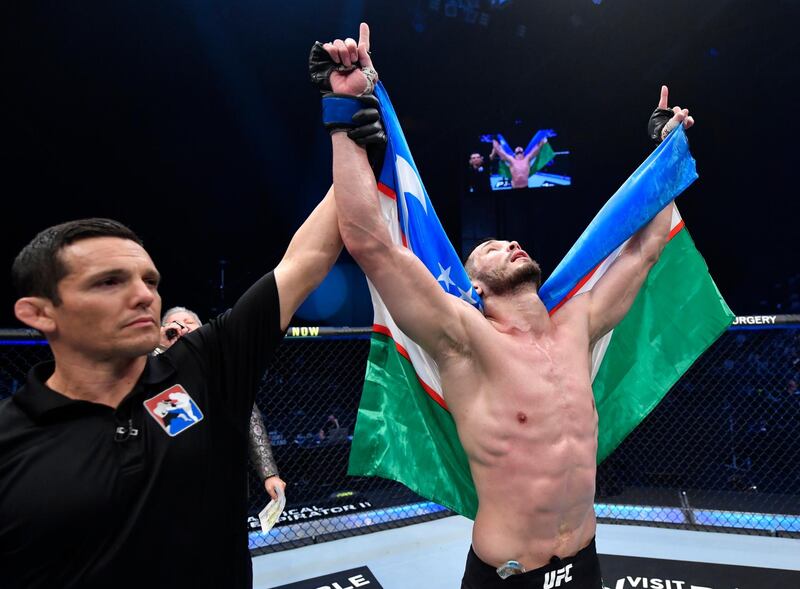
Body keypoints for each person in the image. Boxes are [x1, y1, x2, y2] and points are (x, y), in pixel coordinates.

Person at [317, 23, 694, 588]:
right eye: (490, 249)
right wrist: (342, 115)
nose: (509, 245)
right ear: (478, 287)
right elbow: (370, 244)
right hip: (507, 574)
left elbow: (643, 253)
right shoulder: (465, 341)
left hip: (586, 560)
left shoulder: (577, 325)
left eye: (508, 242)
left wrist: (668, 151)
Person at [0, 106, 382, 588]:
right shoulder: (11, 442)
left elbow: (304, 260)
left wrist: (349, 133)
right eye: (109, 282)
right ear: (40, 313)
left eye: (149, 280)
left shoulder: (203, 366)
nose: (143, 295)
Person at [158, 305, 286, 500]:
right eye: (175, 325)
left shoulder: (224, 369)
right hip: (172, 483)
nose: (182, 328)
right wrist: (159, 348)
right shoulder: (152, 372)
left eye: (189, 323)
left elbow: (251, 419)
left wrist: (270, 474)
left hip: (224, 476)